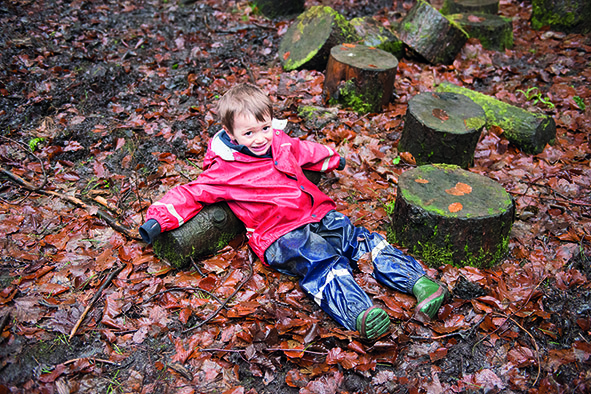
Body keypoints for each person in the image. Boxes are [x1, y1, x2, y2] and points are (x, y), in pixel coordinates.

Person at [139, 83, 448, 340]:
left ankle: (417, 281)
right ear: (230, 133)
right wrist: (158, 219)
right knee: (319, 259)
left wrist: (330, 158)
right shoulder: (225, 170)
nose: (260, 138)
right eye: (249, 133)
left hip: (315, 213)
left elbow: (303, 149)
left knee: (357, 238)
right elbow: (190, 193)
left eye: (265, 128)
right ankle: (358, 312)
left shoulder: (279, 142)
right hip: (280, 233)